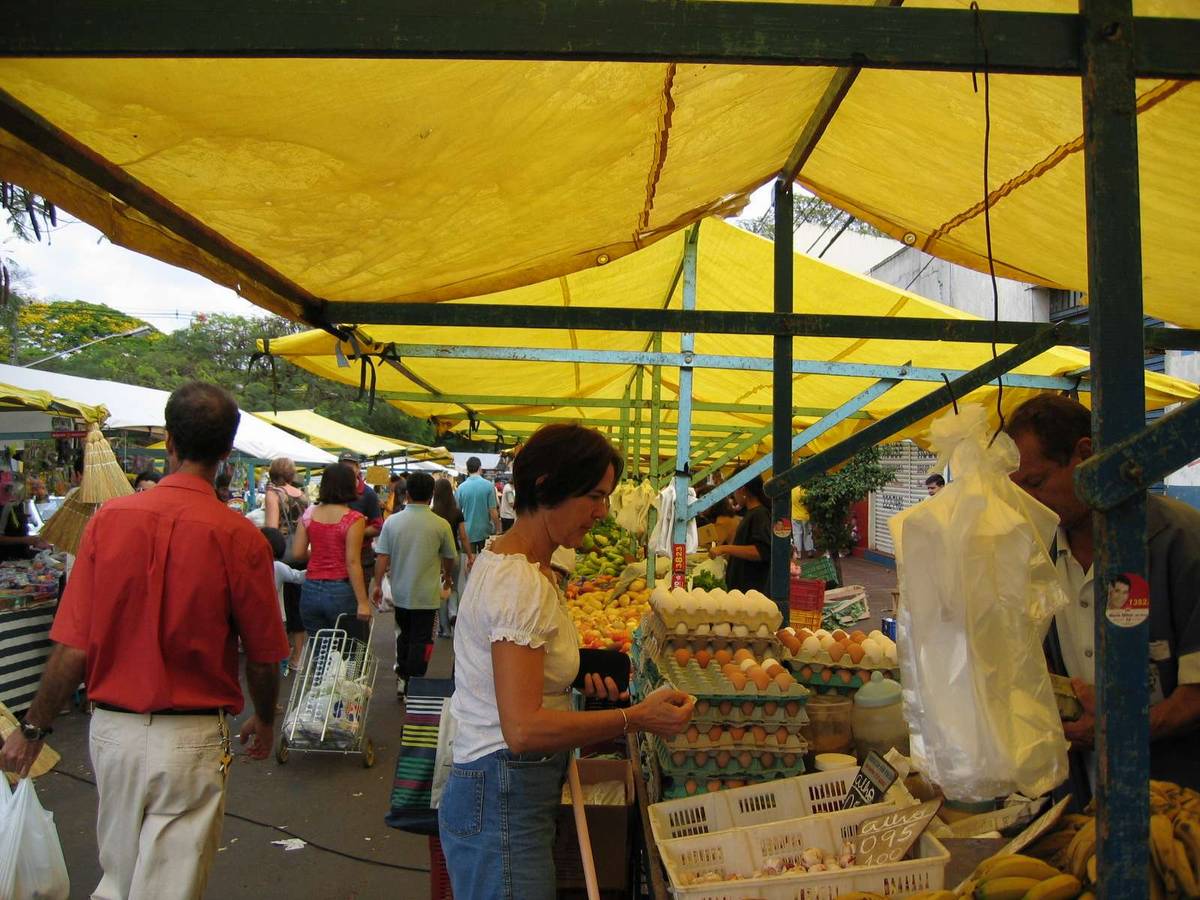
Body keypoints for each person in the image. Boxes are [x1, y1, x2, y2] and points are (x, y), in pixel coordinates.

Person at [1, 381, 288, 899]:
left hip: (114, 734)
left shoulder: (108, 522)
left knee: (119, 877)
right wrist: (265, 719)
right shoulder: (240, 537)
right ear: (227, 452)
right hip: (192, 739)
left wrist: (33, 727)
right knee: (169, 886)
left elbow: (74, 646)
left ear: (169, 442)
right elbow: (264, 656)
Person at [439, 425, 694, 899]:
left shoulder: (522, 565)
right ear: (546, 486)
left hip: (506, 792)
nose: (602, 511)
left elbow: (514, 683)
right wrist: (634, 718)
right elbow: (522, 730)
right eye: (593, 496)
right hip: (501, 795)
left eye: (607, 497)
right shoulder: (519, 583)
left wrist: (571, 682)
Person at [1007, 393, 1200, 791]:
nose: (1027, 503)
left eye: (1036, 483)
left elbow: (1196, 696)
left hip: (1176, 799)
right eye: (1016, 490)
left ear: (1086, 455)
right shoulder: (1038, 557)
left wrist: (1118, 729)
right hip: (1086, 794)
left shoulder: (1181, 542)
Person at [372, 472, 457, 700]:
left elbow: (382, 556)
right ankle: (414, 680)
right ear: (431, 495)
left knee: (404, 635)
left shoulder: (392, 522)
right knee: (422, 639)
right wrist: (448, 576)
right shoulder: (440, 524)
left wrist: (378, 584)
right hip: (427, 595)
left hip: (400, 592)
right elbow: (450, 556)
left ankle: (403, 675)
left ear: (407, 494)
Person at [291, 463, 372, 638]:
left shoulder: (309, 514)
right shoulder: (354, 519)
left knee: (319, 648)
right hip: (341, 590)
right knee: (346, 648)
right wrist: (363, 602)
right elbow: (352, 562)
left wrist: (320, 553)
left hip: (310, 589)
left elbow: (297, 553)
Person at [263, 457, 310, 671]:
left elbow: (272, 529)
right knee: (296, 604)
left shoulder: (274, 495)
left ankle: (283, 651)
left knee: (279, 606)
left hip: (281, 555)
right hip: (301, 552)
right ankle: (298, 655)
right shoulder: (303, 495)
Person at [709, 472, 772, 595]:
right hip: (742, 591)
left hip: (751, 592)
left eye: (734, 489)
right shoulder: (752, 513)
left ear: (742, 489)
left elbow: (761, 552)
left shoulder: (760, 514)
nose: (733, 495)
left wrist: (725, 548)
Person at [261, 526, 306, 676]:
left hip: (257, 618)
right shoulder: (277, 567)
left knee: (262, 651)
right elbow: (298, 577)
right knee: (279, 648)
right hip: (277, 618)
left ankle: (268, 671)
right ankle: (280, 671)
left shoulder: (248, 564)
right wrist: (317, 568)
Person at [432, 476, 473, 637]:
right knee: (454, 587)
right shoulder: (457, 512)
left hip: (437, 556)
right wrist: (469, 555)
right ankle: (453, 613)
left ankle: (444, 628)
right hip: (454, 553)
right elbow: (463, 536)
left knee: (441, 589)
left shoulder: (432, 513)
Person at [338, 453, 384, 590]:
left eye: (350, 467)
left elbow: (378, 526)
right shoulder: (333, 491)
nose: (346, 471)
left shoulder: (368, 494)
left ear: (358, 468)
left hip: (361, 555)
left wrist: (355, 532)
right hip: (337, 555)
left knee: (358, 595)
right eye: (343, 467)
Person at [456, 455, 501, 552]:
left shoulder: (461, 488)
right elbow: (493, 510)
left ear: (467, 470)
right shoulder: (489, 486)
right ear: (480, 468)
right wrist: (498, 529)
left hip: (467, 531)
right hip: (485, 531)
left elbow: (457, 511)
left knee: (469, 559)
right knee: (485, 559)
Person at [791, 485, 815, 558]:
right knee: (807, 534)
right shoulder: (804, 490)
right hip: (805, 515)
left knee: (796, 534)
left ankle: (799, 554)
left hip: (795, 516)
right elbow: (808, 503)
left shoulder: (792, 489)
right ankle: (809, 552)